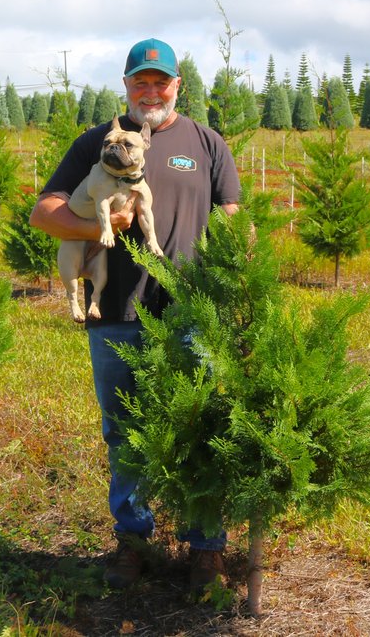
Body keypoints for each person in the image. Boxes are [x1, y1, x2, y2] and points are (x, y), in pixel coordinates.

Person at [30, 38, 241, 594]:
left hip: (192, 313)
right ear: (125, 86)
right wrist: (102, 230)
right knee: (124, 432)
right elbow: (44, 212)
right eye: (139, 82)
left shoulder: (206, 142)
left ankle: (206, 547)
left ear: (178, 86)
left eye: (161, 82)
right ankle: (135, 540)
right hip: (118, 314)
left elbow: (235, 216)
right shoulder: (97, 144)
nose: (151, 91)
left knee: (203, 427)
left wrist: (241, 280)